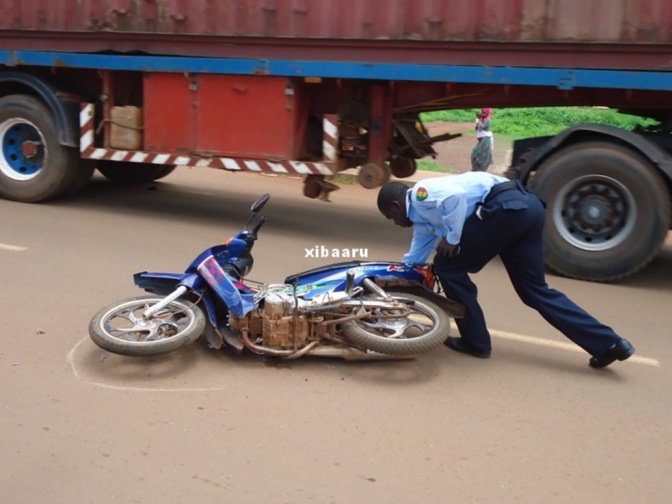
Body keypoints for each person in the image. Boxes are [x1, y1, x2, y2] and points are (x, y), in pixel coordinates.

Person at [376, 171, 635, 369]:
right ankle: (609, 344)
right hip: (527, 209)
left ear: (397, 206)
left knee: (448, 266)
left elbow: (454, 199)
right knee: (533, 291)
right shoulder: (422, 223)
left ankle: (475, 342)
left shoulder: (421, 193)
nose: (395, 223)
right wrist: (391, 277)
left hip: (506, 209)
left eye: (390, 218)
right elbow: (414, 260)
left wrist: (453, 239)